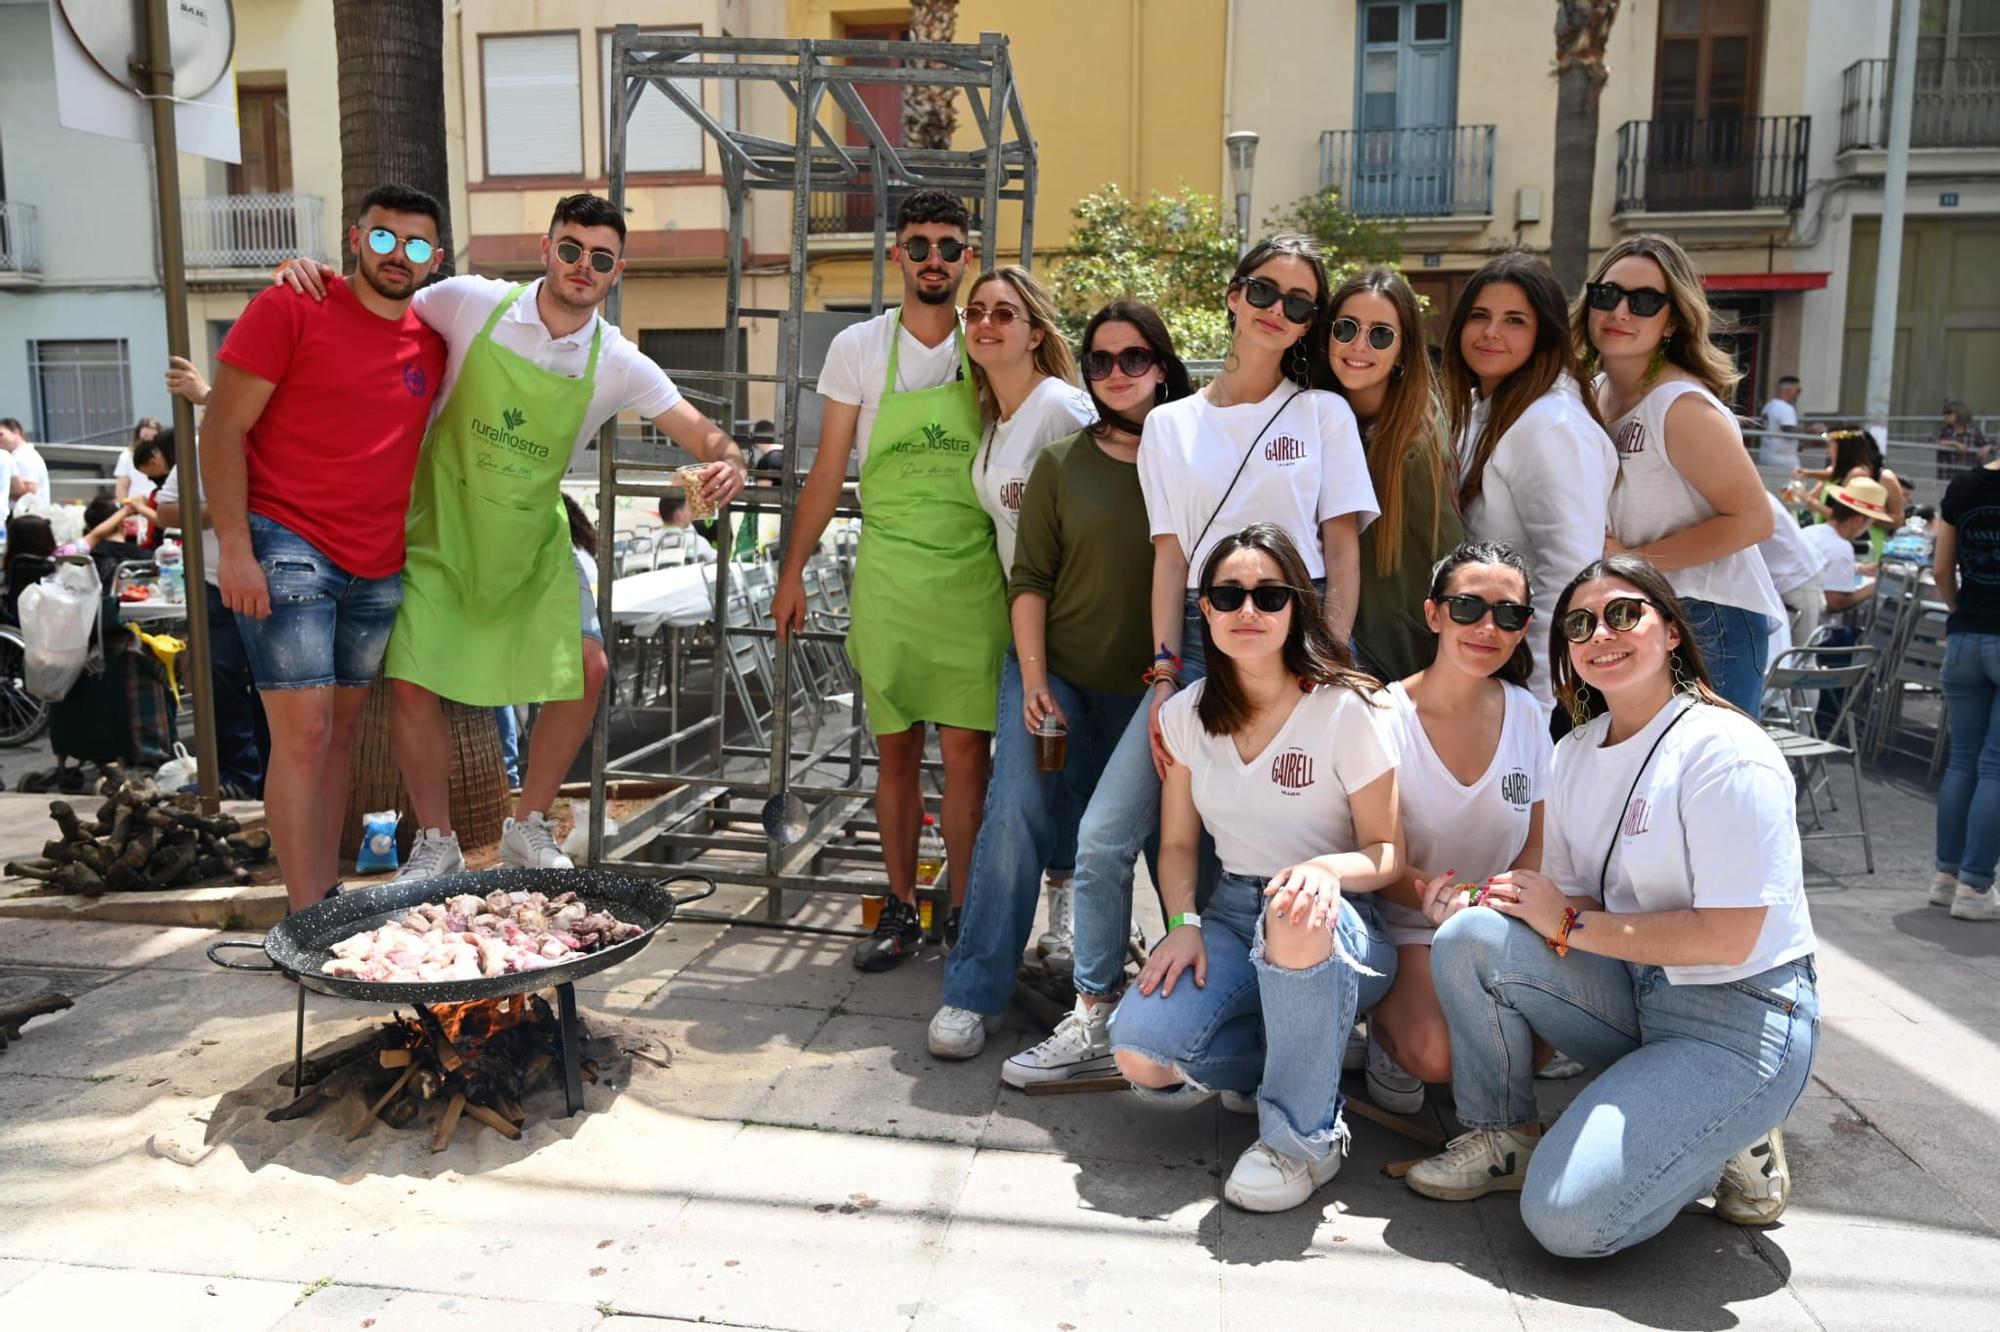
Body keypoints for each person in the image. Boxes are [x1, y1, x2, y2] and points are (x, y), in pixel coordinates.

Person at [277, 192, 748, 880]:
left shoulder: (616, 359)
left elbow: (699, 430)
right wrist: (313, 275)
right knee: (412, 686)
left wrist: (728, 461)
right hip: (440, 529)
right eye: (570, 249)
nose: (582, 266)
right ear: (546, 250)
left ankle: (528, 825)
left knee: (587, 668)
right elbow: (378, 298)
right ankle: (435, 843)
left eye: (601, 258)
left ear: (617, 273)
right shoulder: (470, 301)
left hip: (531, 541)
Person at [1003, 234, 1378, 1086]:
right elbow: (1172, 560)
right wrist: (1169, 672)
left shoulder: (1323, 415)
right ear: (1235, 294)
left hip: (1302, 645)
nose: (1278, 312)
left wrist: (1332, 661)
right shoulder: (1173, 424)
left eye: (1299, 303)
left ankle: (1266, 1016)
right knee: (1103, 833)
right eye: (1264, 292)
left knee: (1270, 841)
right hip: (1206, 648)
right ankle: (1097, 1013)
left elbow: (1342, 548)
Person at [1407, 554, 1819, 1256]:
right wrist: (1497, 899)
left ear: (1671, 634)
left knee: (1570, 1222)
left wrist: (1565, 922)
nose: (1603, 632)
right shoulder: (1575, 752)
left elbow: (1731, 936)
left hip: (1737, 1016)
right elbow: (1575, 898)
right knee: (1473, 936)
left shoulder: (1724, 751)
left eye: (1625, 614)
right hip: (1635, 987)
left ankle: (1728, 1128)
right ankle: (1504, 1134)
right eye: (1580, 623)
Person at [1106, 524, 1400, 1212]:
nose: (1248, 610)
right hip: (1233, 911)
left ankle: (1303, 1142)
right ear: (1203, 608)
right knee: (1141, 1054)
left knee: (1293, 909)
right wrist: (1181, 922)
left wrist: (1324, 871)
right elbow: (1178, 846)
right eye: (1228, 594)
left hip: (1339, 918)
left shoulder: (1347, 706)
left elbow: (1388, 853)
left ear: (1298, 606)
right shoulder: (1185, 715)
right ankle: (1303, 1060)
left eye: (1269, 596)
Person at [927, 300, 1187, 1058]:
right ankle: (973, 992)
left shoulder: (1192, 455)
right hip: (1057, 672)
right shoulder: (1062, 462)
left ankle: (1186, 1001)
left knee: (1179, 839)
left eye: (1132, 358)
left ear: (1161, 366)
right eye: (1100, 360)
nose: (1114, 373)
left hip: (1158, 684)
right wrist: (1034, 679)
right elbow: (1030, 578)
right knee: (1015, 812)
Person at [768, 190, 998, 974]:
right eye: (920, 244)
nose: (935, 258)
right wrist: (791, 570)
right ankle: (900, 909)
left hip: (972, 579)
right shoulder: (860, 348)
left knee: (968, 754)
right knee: (894, 755)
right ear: (896, 254)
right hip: (891, 576)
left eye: (949, 245)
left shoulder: (991, 344)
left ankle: (963, 913)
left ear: (968, 257)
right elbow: (830, 470)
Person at [204, 183, 450, 909]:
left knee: (338, 736)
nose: (396, 256)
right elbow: (220, 431)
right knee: (304, 733)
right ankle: (308, 911)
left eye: (413, 245)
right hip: (287, 544)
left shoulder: (435, 340)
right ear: (354, 239)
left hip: (378, 564)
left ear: (435, 260)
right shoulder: (289, 306)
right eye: (382, 238)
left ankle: (326, 892)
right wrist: (236, 549)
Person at [1368, 541, 1551, 1115]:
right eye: (1468, 608)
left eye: (1509, 614)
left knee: (1545, 1045)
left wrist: (1496, 906)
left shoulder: (1527, 712)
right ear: (1434, 614)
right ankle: (1381, 1029)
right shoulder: (1383, 715)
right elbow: (1380, 859)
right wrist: (1450, 901)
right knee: (1439, 1056)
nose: (1487, 627)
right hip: (1412, 922)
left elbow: (1537, 843)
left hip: (1500, 923)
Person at [1583, 233, 1781, 715]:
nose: (1621, 312)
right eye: (1607, 295)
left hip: (1710, 616)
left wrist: (1634, 559)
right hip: (1642, 610)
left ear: (1672, 320)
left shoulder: (1681, 407)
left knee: (1702, 782)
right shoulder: (1598, 393)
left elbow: (1754, 519)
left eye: (1646, 301)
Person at [963, 264, 1095, 955]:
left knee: (1054, 780)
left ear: (1035, 332)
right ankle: (1048, 930)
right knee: (1035, 778)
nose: (985, 323)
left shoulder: (1061, 408)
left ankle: (1069, 926)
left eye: (1003, 313)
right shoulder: (995, 420)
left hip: (1078, 625)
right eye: (976, 312)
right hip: (1028, 626)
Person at [1443, 253, 1617, 715]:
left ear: (1545, 334)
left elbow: (1570, 573)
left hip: (1532, 690)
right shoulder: (1494, 407)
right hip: (1491, 668)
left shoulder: (1552, 425)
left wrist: (1537, 704)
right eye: (1479, 316)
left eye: (1514, 320)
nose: (1490, 332)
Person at [1318, 265, 1464, 681]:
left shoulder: (1414, 444)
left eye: (1380, 334)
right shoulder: (1315, 413)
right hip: (1331, 638)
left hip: (1387, 656)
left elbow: (1447, 554)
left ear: (1402, 350)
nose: (1359, 345)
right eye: (1346, 328)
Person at [153, 372, 271, 799]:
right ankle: (238, 777)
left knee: (271, 685)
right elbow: (165, 512)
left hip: (275, 583)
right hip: (213, 582)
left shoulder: (274, 437)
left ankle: (273, 776)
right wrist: (222, 504)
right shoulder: (204, 445)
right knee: (219, 679)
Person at [1931, 448, 2000, 921]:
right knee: (1995, 767)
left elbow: (1941, 570)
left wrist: (1961, 610)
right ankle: (1975, 888)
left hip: (1966, 635)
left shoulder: (1962, 487)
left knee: (1963, 762)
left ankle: (1946, 877)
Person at [1794, 428, 1906, 563]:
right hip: (1830, 541)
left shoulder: (1858, 475)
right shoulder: (1835, 473)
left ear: (1844, 450)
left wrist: (1808, 499)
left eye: (1831, 446)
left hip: (1856, 544)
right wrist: (1806, 477)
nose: (1827, 451)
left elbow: (1841, 517)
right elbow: (1823, 481)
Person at [0, 418, 51, 516]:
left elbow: (28, 493)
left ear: (16, 432)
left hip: (27, 519)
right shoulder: (20, 455)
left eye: (1, 434)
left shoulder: (23, 456)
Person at [1932, 400, 1991, 479]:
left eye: (1949, 413)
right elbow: (1932, 441)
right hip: (1947, 475)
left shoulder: (1974, 431)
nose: (1945, 416)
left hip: (1969, 475)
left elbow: (1990, 443)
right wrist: (1954, 444)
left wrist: (1988, 447)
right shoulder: (1944, 431)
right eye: (1944, 413)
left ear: (1960, 413)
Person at [1758, 375, 1803, 473]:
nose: (1798, 394)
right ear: (1789, 391)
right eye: (1798, 390)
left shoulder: (1769, 406)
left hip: (1767, 455)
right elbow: (1788, 431)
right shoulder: (1785, 408)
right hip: (1783, 459)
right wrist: (1810, 430)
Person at [117, 418, 165, 503]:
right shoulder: (126, 456)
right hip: (135, 507)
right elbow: (121, 488)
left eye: (153, 438)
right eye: (145, 438)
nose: (148, 442)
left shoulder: (166, 456)